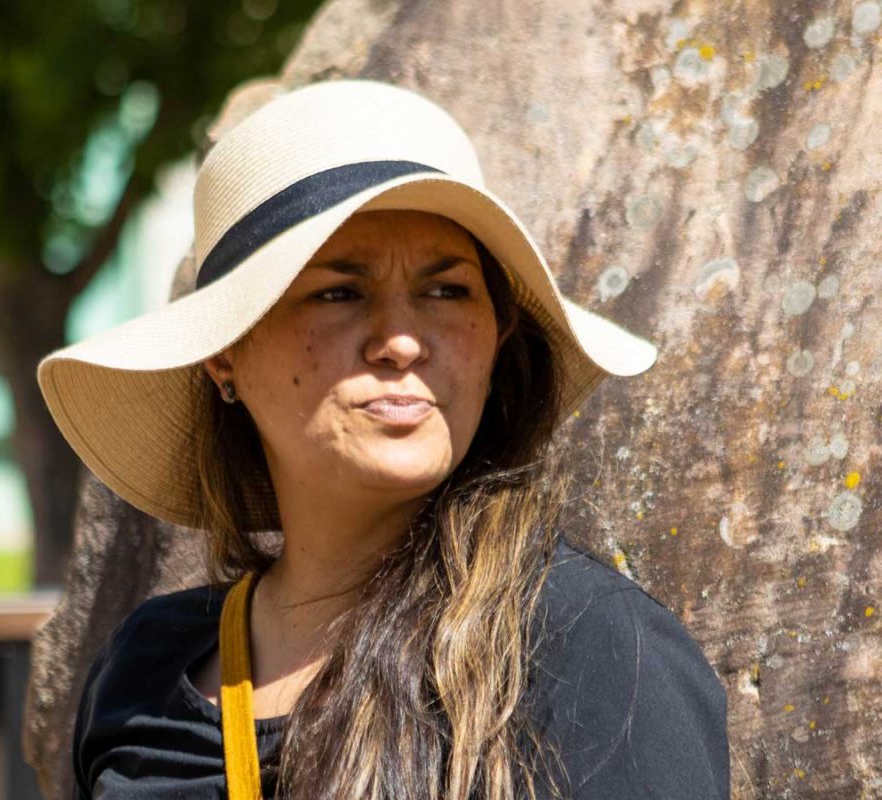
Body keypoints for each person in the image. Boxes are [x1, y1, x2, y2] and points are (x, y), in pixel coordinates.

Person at [37, 79, 729, 800]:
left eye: (447, 291)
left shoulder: (585, 648)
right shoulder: (149, 665)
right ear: (225, 355)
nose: (401, 341)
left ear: (498, 338)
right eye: (339, 292)